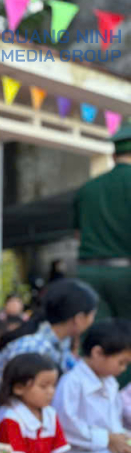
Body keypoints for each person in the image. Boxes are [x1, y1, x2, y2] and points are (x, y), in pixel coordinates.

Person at [0, 353, 124, 453]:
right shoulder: (10, 418)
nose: (50, 392)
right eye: (43, 386)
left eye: (53, 386)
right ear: (19, 388)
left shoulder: (50, 413)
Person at [0, 278, 98, 430]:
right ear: (79, 319)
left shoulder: (61, 343)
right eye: (92, 315)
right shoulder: (33, 348)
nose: (93, 320)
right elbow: (20, 399)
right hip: (3, 428)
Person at [54, 320, 131, 453]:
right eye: (121, 362)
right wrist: (108, 439)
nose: (124, 369)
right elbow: (66, 428)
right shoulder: (71, 383)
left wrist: (123, 441)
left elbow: (114, 425)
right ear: (97, 352)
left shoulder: (110, 381)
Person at [73, 122, 131, 322]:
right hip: (126, 272)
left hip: (88, 272)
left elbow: (78, 234)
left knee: (97, 336)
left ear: (113, 157)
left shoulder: (87, 188)